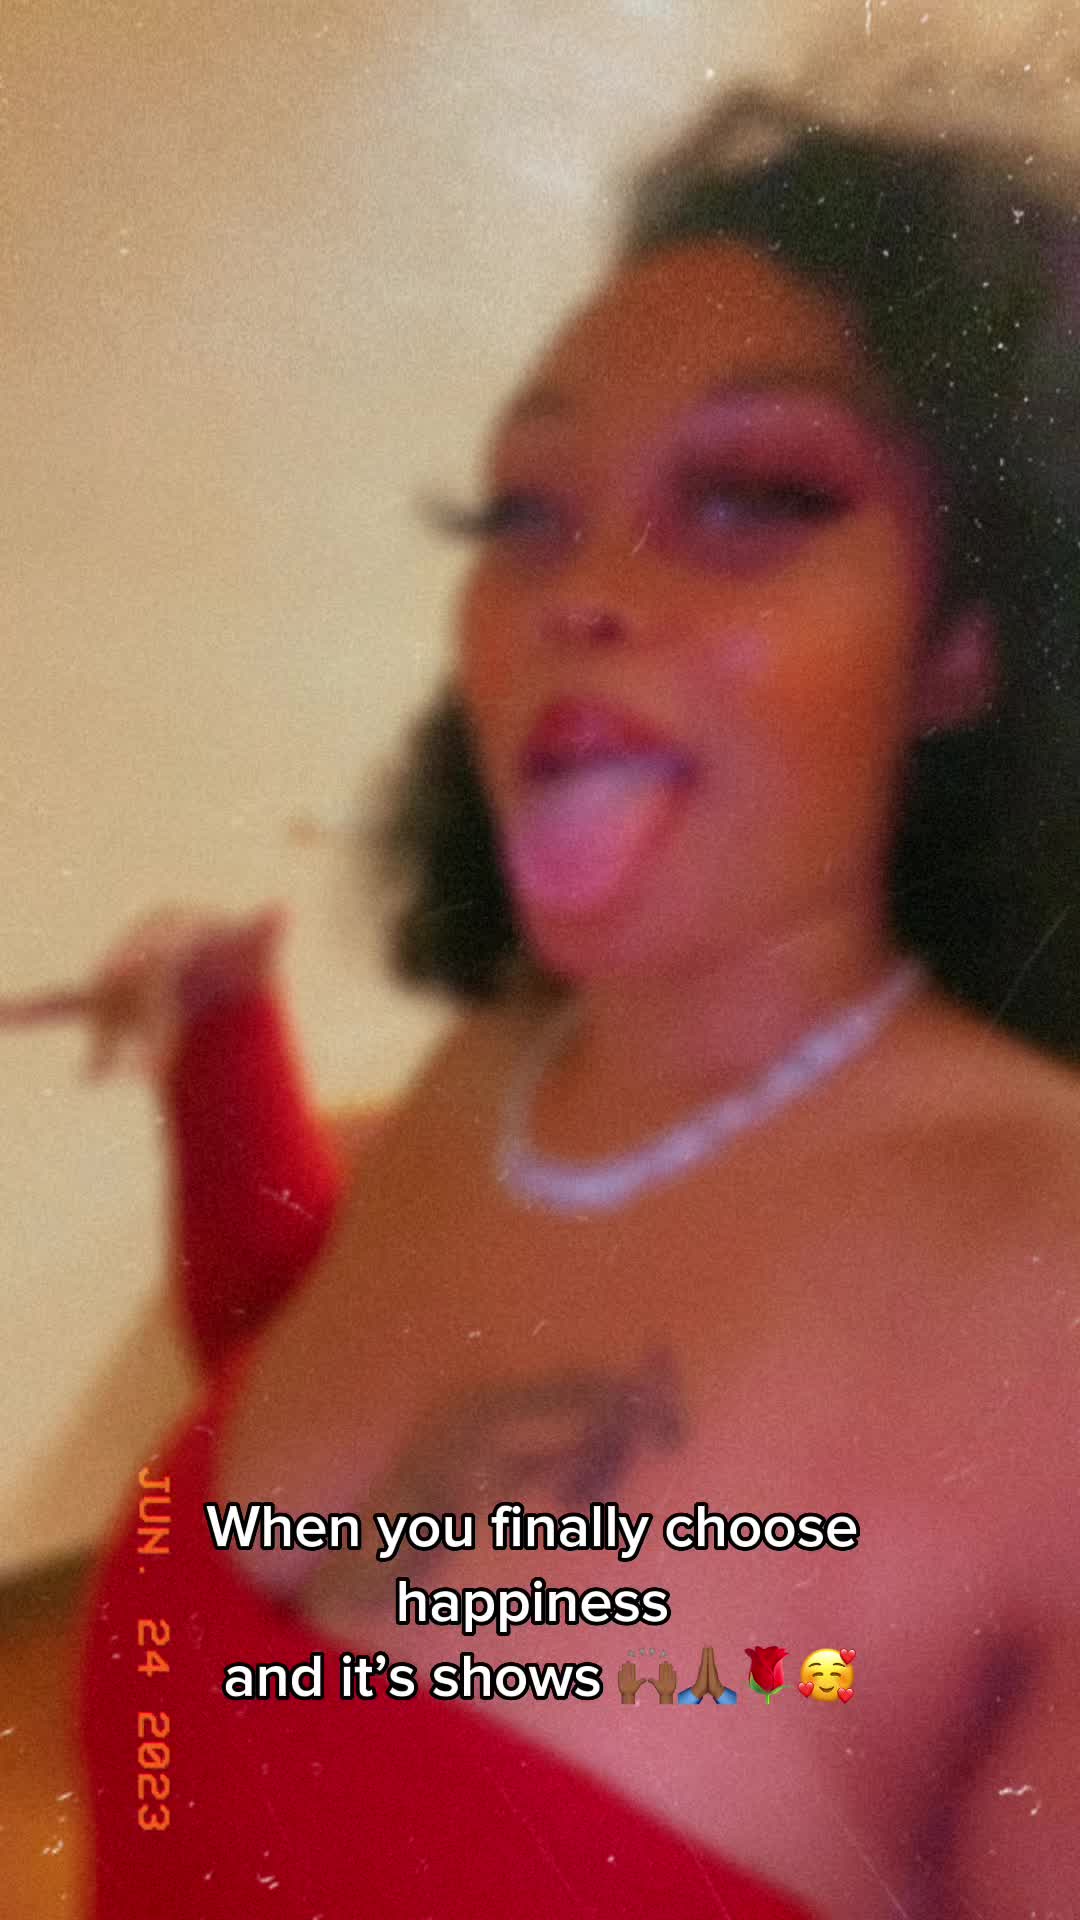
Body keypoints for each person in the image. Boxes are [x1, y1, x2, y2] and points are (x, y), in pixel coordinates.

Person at [35, 79, 1080, 1917]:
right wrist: (221, 1046)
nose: (579, 589)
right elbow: (312, 1434)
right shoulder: (508, 1068)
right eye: (524, 510)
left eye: (752, 498)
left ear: (967, 643)